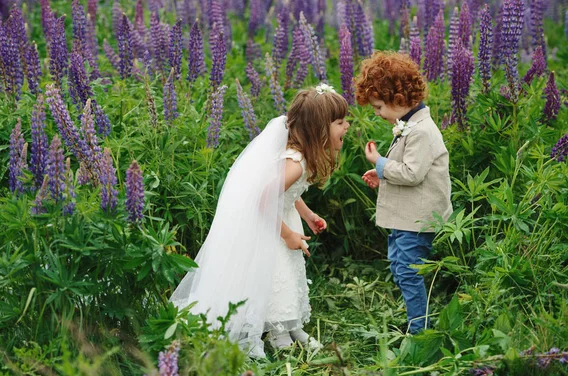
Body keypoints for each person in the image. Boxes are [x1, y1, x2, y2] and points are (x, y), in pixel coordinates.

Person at [170, 83, 349, 357]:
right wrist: (286, 233)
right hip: (270, 224)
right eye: (339, 122)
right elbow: (264, 198)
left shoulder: (302, 159)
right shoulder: (296, 162)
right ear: (319, 129)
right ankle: (278, 333)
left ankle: (292, 325)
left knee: (289, 273)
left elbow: (288, 192)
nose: (346, 126)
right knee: (276, 272)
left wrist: (308, 215)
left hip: (281, 218)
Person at [355, 51, 452, 334]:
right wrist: (382, 173)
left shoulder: (422, 131)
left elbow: (412, 173)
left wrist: (379, 162)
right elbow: (410, 168)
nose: (377, 113)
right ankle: (417, 319)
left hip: (418, 220)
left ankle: (419, 330)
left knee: (409, 273)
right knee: (400, 267)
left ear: (398, 100)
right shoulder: (411, 125)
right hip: (406, 217)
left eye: (377, 107)